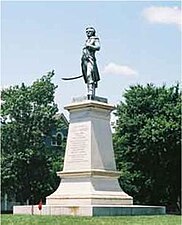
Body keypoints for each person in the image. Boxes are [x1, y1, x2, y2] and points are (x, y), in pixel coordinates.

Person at [81, 27, 100, 99]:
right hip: (84, 60)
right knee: (86, 76)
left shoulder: (95, 39)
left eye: (89, 31)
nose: (88, 33)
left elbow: (98, 47)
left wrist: (90, 46)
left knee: (90, 74)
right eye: (87, 32)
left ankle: (90, 91)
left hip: (90, 59)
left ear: (93, 32)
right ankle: (89, 91)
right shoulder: (87, 40)